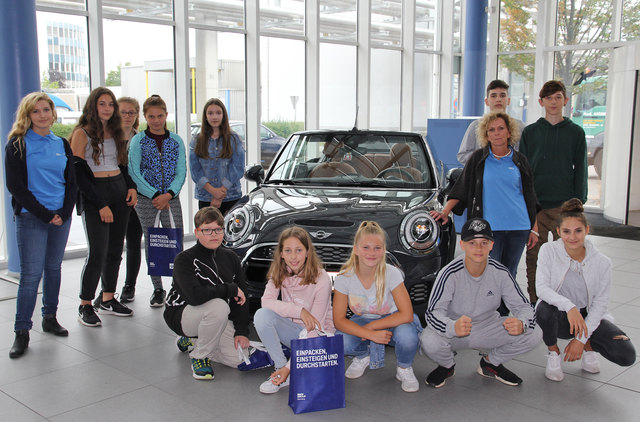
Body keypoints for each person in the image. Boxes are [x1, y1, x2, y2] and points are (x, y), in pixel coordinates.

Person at [421, 217, 542, 388]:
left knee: (534, 332)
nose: (478, 248)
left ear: (492, 245)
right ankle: (447, 366)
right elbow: (433, 313)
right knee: (429, 340)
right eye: (472, 243)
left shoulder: (500, 272)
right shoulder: (449, 273)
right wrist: (451, 326)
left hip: (488, 327)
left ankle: (490, 363)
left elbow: (523, 306)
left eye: (484, 242)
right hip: (456, 329)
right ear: (462, 245)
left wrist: (522, 323)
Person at [5, 92, 77, 358]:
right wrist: (47, 214)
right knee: (31, 276)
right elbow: (16, 187)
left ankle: (50, 317)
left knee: (53, 269)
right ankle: (21, 331)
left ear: (53, 113)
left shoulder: (62, 143)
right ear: (28, 115)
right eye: (36, 111)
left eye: (46, 110)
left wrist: (64, 211)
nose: (43, 115)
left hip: (61, 216)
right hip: (32, 217)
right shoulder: (17, 145)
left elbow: (71, 182)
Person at [432, 112, 539, 283]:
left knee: (510, 274)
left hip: (519, 227)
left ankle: (504, 310)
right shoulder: (478, 159)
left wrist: (534, 228)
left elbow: (530, 196)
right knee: (490, 274)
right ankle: (490, 310)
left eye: (501, 129)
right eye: (492, 130)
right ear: (486, 135)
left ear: (509, 132)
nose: (497, 133)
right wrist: (445, 212)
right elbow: (461, 187)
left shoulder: (520, 160)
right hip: (488, 229)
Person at [536, 199, 635, 381]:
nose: (572, 237)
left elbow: (600, 304)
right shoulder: (548, 250)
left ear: (587, 230)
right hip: (560, 315)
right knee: (543, 310)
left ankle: (588, 346)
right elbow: (542, 289)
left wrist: (581, 340)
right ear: (558, 232)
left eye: (578, 231)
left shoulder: (603, 262)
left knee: (626, 355)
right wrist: (570, 307)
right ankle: (553, 353)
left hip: (589, 316)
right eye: (566, 231)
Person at [70, 87, 136, 327]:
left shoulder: (116, 131)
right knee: (97, 253)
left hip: (119, 191)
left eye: (110, 104)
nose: (107, 108)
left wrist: (130, 187)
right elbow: (78, 174)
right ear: (93, 106)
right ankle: (85, 303)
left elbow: (122, 165)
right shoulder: (82, 133)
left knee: (115, 251)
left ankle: (108, 298)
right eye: (102, 104)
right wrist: (99, 204)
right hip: (95, 194)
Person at [333, 221, 422, 393]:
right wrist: (368, 334)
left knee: (408, 337)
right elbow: (339, 321)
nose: (372, 253)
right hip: (363, 319)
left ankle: (404, 367)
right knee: (340, 341)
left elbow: (407, 315)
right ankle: (362, 356)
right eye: (366, 247)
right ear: (356, 250)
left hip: (394, 318)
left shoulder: (392, 273)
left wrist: (371, 328)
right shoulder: (344, 277)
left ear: (383, 250)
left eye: (377, 248)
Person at [520, 80, 588, 303]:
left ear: (565, 101)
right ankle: (535, 303)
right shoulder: (530, 133)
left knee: (567, 257)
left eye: (558, 97)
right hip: (536, 208)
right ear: (541, 102)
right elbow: (523, 172)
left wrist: (578, 202)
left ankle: (566, 303)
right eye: (549, 98)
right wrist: (525, 204)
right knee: (534, 258)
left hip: (564, 207)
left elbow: (581, 169)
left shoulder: (576, 133)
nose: (553, 102)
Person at [163, 207, 250, 380]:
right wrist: (229, 288)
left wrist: (242, 331)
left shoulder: (231, 257)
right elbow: (195, 297)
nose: (214, 234)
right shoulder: (184, 259)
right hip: (182, 314)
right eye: (207, 230)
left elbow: (242, 298)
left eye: (218, 229)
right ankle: (200, 356)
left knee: (239, 358)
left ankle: (196, 341)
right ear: (196, 232)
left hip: (213, 315)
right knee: (219, 306)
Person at [254, 226, 334, 394]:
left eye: (298, 250)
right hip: (295, 333)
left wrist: (290, 368)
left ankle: (289, 370)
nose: (293, 256)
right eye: (288, 251)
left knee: (309, 333)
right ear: (281, 254)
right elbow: (265, 302)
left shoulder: (322, 278)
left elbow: (315, 329)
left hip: (318, 337)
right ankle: (280, 368)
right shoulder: (280, 273)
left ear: (307, 252)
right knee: (262, 316)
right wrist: (299, 311)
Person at [128, 95, 187, 307]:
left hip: (171, 198)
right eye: (151, 116)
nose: (156, 120)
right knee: (153, 241)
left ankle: (177, 287)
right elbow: (134, 171)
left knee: (174, 240)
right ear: (145, 117)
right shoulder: (138, 141)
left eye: (159, 116)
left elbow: (181, 171)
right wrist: (154, 195)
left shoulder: (176, 140)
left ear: (166, 115)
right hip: (147, 200)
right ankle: (158, 289)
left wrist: (169, 194)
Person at [190, 98, 245, 215]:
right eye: (210, 113)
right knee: (208, 231)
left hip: (231, 196)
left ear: (223, 115)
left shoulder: (234, 139)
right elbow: (195, 170)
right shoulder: (196, 140)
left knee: (230, 232)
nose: (214, 117)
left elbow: (237, 168)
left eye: (218, 113)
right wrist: (213, 191)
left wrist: (221, 193)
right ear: (205, 116)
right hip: (205, 197)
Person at [457, 80, 525, 165]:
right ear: (486, 101)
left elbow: (526, 155)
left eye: (502, 95)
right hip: (483, 175)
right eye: (493, 96)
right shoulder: (475, 126)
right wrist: (486, 158)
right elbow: (462, 156)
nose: (498, 99)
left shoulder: (520, 126)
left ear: (508, 100)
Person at [117, 97, 142, 303]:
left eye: (131, 112)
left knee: (133, 243)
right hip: (113, 198)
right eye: (123, 112)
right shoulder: (107, 138)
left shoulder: (140, 139)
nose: (127, 116)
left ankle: (129, 286)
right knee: (111, 248)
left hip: (137, 200)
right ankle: (107, 290)